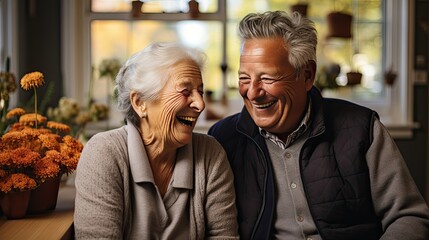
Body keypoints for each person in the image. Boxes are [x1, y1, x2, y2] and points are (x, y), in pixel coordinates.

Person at [208, 10, 429, 240]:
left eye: (268, 78)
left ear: (307, 75)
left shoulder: (362, 129)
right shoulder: (222, 140)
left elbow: (409, 216)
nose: (252, 93)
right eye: (244, 79)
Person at [74, 42, 239, 239]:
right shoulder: (104, 154)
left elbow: (224, 236)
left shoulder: (210, 153)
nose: (200, 104)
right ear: (140, 102)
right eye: (185, 91)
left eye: (200, 92)